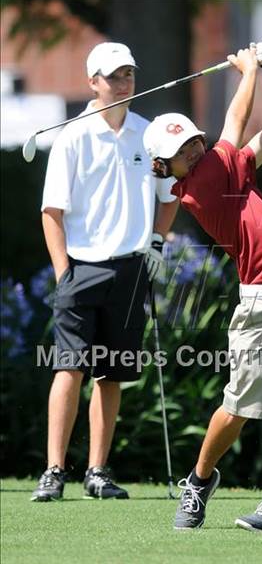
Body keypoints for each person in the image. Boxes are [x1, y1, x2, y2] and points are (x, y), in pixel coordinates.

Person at [143, 43, 262, 532]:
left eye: (192, 141)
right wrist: (248, 69)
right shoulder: (200, 185)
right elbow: (236, 120)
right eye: (180, 152)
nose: (191, 150)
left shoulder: (226, 169)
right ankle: (199, 479)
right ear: (167, 169)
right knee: (240, 408)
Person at [31, 42, 178, 502]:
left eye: (128, 75)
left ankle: (97, 471)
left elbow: (169, 196)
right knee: (69, 368)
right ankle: (54, 471)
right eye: (113, 76)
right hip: (81, 268)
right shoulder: (73, 135)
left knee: (111, 375)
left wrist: (155, 242)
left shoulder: (149, 134)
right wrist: (63, 274)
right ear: (93, 80)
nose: (122, 84)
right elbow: (51, 211)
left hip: (131, 269)